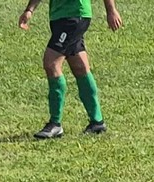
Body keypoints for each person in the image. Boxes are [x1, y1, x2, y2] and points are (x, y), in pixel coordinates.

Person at [19, 0, 122, 139]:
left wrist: (111, 10)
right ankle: (97, 122)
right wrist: (29, 10)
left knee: (51, 64)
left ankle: (55, 124)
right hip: (60, 17)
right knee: (80, 67)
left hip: (74, 16)